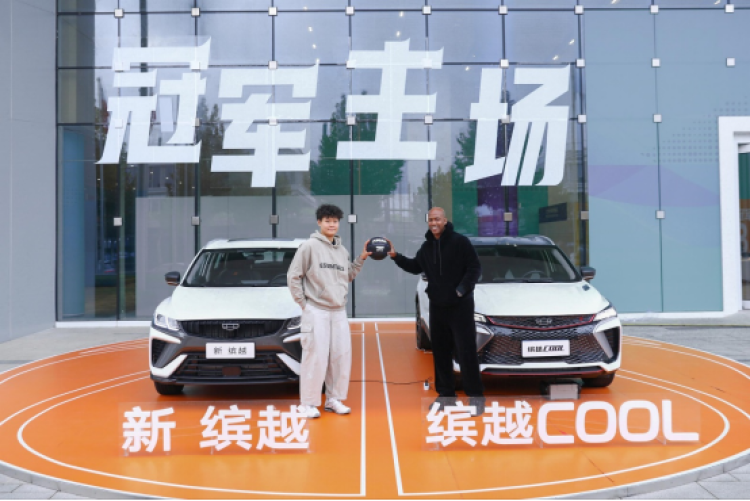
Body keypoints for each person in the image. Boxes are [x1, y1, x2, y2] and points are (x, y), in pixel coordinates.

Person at [386, 207, 485, 413]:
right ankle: (446, 396)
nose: (434, 223)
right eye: (431, 220)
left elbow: (474, 268)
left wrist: (461, 290)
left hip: (460, 306)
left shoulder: (460, 242)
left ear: (445, 220)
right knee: (440, 352)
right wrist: (395, 256)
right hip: (437, 307)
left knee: (466, 352)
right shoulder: (426, 247)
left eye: (437, 219)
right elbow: (415, 266)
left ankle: (475, 397)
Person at [287, 204, 371, 418]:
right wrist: (304, 304)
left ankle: (334, 399)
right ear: (319, 222)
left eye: (335, 221)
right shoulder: (309, 247)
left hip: (339, 311)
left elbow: (347, 275)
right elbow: (293, 276)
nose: (332, 225)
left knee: (340, 357)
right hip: (317, 310)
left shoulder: (342, 251)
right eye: (327, 221)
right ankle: (308, 403)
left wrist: (361, 258)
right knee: (315, 357)